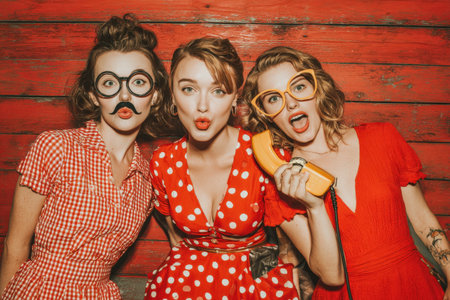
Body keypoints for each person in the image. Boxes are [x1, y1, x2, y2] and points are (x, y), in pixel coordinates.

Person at [241, 45, 449, 299]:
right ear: (267, 116)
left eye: (298, 87)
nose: (291, 102)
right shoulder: (282, 185)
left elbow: (423, 222)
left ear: (318, 89)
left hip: (413, 285)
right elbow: (332, 275)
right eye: (274, 98)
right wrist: (314, 206)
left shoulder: (383, 138)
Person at [144, 37, 343, 300]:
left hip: (253, 277)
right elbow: (176, 241)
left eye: (218, 91)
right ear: (172, 93)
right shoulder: (163, 162)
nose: (202, 106)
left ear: (235, 99)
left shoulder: (263, 155)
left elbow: (284, 247)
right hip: (184, 284)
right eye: (189, 89)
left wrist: (277, 283)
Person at [0, 14, 170, 299]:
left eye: (138, 82)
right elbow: (15, 247)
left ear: (155, 95)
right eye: (109, 83)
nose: (124, 95)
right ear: (93, 94)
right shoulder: (55, 147)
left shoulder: (147, 180)